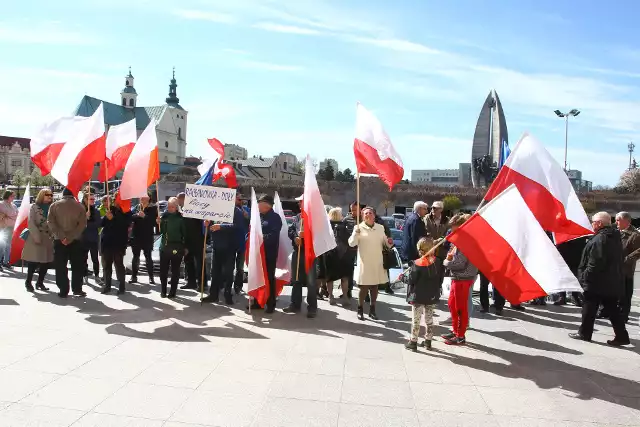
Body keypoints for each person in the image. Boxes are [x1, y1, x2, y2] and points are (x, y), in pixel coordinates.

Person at [569, 212, 630, 346]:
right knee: (613, 310)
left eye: (593, 221)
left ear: (600, 223)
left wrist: (585, 277)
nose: (592, 224)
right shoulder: (613, 236)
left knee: (589, 308)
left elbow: (595, 263)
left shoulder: (601, 239)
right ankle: (622, 336)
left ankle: (584, 333)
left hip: (597, 282)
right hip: (610, 282)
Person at [349, 206, 391, 321]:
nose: (368, 215)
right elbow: (351, 244)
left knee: (374, 287)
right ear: (362, 216)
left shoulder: (380, 227)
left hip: (377, 261)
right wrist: (355, 234)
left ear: (374, 215)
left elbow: (386, 243)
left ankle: (372, 310)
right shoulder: (358, 227)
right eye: (365, 213)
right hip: (364, 262)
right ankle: (360, 309)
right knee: (363, 288)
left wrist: (389, 242)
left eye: (370, 213)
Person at [441, 214, 478, 345]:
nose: (452, 232)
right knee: (452, 304)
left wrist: (447, 262)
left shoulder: (466, 241)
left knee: (460, 307)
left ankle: (460, 335)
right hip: (457, 277)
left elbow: (460, 263)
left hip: (463, 277)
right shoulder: (460, 241)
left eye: (454, 229)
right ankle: (455, 330)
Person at [48, 188, 87, 298]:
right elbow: (82, 224)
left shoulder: (54, 205)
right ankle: (77, 289)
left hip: (59, 240)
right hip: (75, 240)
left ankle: (63, 289)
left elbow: (50, 222)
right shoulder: (80, 206)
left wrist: (61, 236)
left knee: (60, 266)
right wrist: (71, 237)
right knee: (77, 266)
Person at [202, 203, 245, 305]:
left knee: (228, 272)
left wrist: (221, 226)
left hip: (230, 246)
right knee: (214, 272)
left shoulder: (236, 211)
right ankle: (213, 295)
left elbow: (238, 226)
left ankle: (227, 295)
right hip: (216, 246)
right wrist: (207, 224)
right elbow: (210, 227)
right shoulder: (215, 209)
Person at [284, 196, 319, 317]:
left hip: (310, 253)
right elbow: (291, 230)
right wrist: (295, 237)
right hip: (297, 251)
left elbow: (319, 235)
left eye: (301, 201)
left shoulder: (315, 218)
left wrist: (306, 236)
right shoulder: (297, 217)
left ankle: (312, 307)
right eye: (299, 202)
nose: (299, 204)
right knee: (296, 279)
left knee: (311, 282)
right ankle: (295, 304)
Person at [405, 237, 440, 351]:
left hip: (418, 296)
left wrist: (403, 278)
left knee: (416, 320)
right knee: (429, 319)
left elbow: (411, 280)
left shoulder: (417, 263)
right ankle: (428, 341)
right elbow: (440, 279)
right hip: (431, 295)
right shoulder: (438, 262)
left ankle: (413, 341)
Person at [251, 195, 282, 313]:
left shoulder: (275, 218)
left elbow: (274, 236)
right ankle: (258, 302)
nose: (257, 205)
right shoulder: (258, 217)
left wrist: (260, 238)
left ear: (266, 205)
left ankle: (270, 304)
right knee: (258, 278)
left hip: (269, 254)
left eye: (259, 203)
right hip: (258, 254)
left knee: (269, 278)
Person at [22, 189, 54, 292]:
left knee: (45, 262)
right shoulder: (34, 207)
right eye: (47, 195)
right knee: (33, 261)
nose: (49, 196)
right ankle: (28, 282)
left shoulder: (52, 208)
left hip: (48, 238)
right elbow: (31, 222)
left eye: (51, 195)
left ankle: (40, 283)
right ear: (41, 196)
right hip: (36, 237)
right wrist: (36, 237)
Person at [100, 194, 132, 295]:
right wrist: (106, 217)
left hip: (118, 243)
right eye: (116, 199)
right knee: (106, 266)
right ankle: (107, 286)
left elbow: (126, 223)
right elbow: (101, 223)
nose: (117, 202)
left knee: (119, 265)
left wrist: (114, 218)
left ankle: (122, 287)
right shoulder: (110, 209)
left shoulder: (127, 212)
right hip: (107, 242)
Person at [157, 197, 187, 298]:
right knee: (163, 271)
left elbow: (184, 234)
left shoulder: (181, 218)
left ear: (176, 207)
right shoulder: (164, 216)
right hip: (164, 246)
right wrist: (159, 223)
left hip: (176, 247)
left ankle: (173, 292)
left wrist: (185, 247)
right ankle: (163, 290)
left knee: (175, 271)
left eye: (172, 207)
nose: (170, 209)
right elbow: (161, 232)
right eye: (169, 207)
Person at [321, 207, 352, 306]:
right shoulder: (344, 226)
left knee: (330, 278)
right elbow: (349, 240)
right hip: (343, 255)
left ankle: (331, 296)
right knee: (344, 277)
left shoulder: (326, 226)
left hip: (330, 254)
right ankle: (345, 297)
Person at [177, 192, 207, 291]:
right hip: (187, 241)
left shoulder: (196, 209)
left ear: (183, 199)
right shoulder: (182, 210)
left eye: (179, 200)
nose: (178, 202)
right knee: (188, 262)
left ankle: (202, 284)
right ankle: (191, 282)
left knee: (200, 263)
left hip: (197, 240)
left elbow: (201, 222)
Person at [615, 211, 640, 323]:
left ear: (627, 221)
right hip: (614, 268)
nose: (616, 222)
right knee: (615, 292)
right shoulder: (617, 232)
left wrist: (626, 259)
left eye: (618, 220)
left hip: (625, 270)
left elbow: (638, 251)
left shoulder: (634, 235)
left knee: (625, 294)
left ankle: (623, 315)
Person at [129, 194, 158, 285]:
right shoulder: (137, 207)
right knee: (135, 257)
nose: (141, 198)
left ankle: (151, 277)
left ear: (148, 198)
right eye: (140, 197)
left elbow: (153, 222)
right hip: (136, 237)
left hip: (147, 237)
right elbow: (130, 217)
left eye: (144, 197)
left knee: (148, 257)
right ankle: (134, 276)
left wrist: (144, 216)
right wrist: (138, 215)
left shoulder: (153, 208)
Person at [342, 202, 364, 299]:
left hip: (362, 248)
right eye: (351, 209)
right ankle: (348, 290)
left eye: (355, 209)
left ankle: (365, 292)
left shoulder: (364, 219)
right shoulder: (347, 219)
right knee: (348, 270)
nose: (353, 212)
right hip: (350, 248)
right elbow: (341, 231)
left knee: (363, 270)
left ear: (360, 209)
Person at [81, 192, 101, 285]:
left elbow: (98, 224)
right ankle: (85, 275)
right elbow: (78, 224)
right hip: (83, 238)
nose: (93, 201)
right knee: (83, 258)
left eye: (94, 199)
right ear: (85, 200)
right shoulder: (81, 211)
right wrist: (85, 218)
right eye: (91, 199)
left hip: (93, 238)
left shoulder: (96, 211)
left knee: (95, 259)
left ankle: (97, 276)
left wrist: (88, 222)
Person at [232, 194, 249, 294]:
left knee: (240, 267)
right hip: (231, 241)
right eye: (238, 199)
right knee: (229, 266)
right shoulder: (231, 210)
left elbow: (251, 222)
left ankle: (238, 286)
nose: (240, 201)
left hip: (242, 242)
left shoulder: (246, 210)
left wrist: (247, 217)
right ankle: (226, 284)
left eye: (241, 199)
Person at [0, 190, 18, 269]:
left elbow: (17, 214)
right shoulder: (1, 204)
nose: (14, 197)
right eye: (12, 196)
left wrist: (9, 216)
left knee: (8, 245)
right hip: (3, 227)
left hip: (11, 227)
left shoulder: (14, 205)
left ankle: (6, 262)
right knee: (1, 245)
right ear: (7, 196)